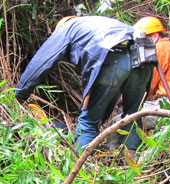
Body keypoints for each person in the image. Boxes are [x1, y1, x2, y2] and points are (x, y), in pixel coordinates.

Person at [15, 15, 154, 154]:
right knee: (133, 117)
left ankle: (82, 170)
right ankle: (131, 168)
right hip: (143, 57)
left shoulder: (67, 28)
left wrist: (20, 94)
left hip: (113, 55)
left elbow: (42, 60)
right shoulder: (97, 23)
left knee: (88, 121)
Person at [108, 16, 170, 148]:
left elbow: (148, 83)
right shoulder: (168, 47)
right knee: (127, 120)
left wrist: (126, 96)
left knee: (117, 122)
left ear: (153, 36)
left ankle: (113, 159)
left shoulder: (160, 48)